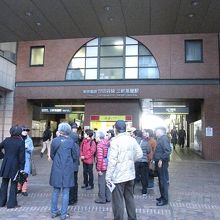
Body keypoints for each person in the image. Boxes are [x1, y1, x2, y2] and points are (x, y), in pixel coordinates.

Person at [106, 120, 143, 220]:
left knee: (118, 201)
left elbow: (112, 161)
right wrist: (130, 160)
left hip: (118, 176)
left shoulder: (115, 141)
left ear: (115, 129)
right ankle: (132, 218)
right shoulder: (132, 139)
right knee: (130, 198)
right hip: (130, 174)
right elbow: (140, 154)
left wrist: (108, 177)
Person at [49, 122, 78, 220]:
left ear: (60, 130)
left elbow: (52, 154)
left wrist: (57, 160)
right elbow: (75, 156)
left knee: (56, 191)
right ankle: (63, 214)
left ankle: (53, 211)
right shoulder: (71, 142)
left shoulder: (55, 141)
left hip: (57, 168)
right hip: (67, 169)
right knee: (66, 191)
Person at [0, 125, 25, 209]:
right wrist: (22, 168)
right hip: (15, 164)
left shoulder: (6, 140)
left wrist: (3, 156)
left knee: (4, 183)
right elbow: (22, 157)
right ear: (19, 133)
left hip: (6, 163)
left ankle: (1, 202)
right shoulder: (21, 142)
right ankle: (11, 204)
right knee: (14, 184)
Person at [154, 127, 172, 206]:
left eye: (157, 131)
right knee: (160, 181)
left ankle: (165, 200)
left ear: (161, 132)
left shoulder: (164, 139)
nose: (155, 133)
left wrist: (161, 159)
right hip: (159, 162)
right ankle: (162, 196)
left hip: (162, 163)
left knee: (163, 181)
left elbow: (168, 151)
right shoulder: (160, 138)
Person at [94, 131, 111, 204]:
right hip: (108, 164)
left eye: (95, 137)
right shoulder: (107, 142)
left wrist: (98, 169)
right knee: (107, 182)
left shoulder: (100, 145)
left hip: (103, 165)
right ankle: (108, 197)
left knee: (101, 183)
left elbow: (100, 158)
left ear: (98, 137)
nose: (95, 138)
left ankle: (102, 198)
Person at [17, 126, 34, 196]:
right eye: (24, 130)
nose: (25, 132)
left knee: (25, 174)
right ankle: (18, 188)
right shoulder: (18, 139)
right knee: (18, 174)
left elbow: (31, 150)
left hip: (26, 159)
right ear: (21, 131)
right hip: (18, 159)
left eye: (26, 131)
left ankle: (24, 190)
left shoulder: (29, 140)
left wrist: (27, 148)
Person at [133, 129, 151, 195]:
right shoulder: (146, 142)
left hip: (136, 161)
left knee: (134, 176)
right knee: (144, 177)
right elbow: (148, 151)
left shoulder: (134, 141)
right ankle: (144, 191)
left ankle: (132, 190)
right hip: (144, 161)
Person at [69, 122, 80, 205]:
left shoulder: (73, 146)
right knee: (75, 182)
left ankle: (71, 199)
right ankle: (74, 198)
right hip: (75, 166)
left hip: (72, 167)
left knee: (72, 183)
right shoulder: (77, 145)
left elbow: (74, 156)